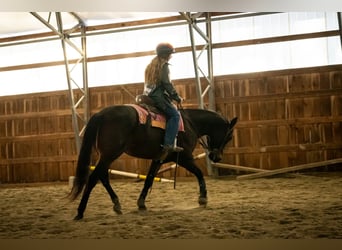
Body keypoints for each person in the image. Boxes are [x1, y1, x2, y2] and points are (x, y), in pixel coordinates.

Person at [143, 42, 184, 158]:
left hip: (148, 96)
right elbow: (166, 83)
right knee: (175, 115)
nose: (171, 56)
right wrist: (177, 97)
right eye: (170, 54)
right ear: (166, 54)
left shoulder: (150, 66)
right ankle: (168, 144)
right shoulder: (164, 66)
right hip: (158, 98)